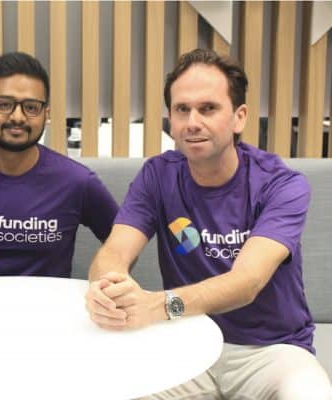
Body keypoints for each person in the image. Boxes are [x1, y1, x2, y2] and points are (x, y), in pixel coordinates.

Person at [85, 48, 332, 399]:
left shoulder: (281, 185)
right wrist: (107, 286)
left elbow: (246, 282)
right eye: (182, 109)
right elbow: (115, 250)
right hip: (187, 341)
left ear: (239, 117)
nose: (193, 122)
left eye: (208, 108)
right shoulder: (157, 176)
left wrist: (158, 306)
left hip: (272, 352)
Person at [0, 52, 118, 278]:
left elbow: (122, 245)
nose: (17, 117)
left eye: (31, 107)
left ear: (46, 114)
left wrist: (103, 277)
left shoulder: (77, 181)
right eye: (4, 104)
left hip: (51, 301)